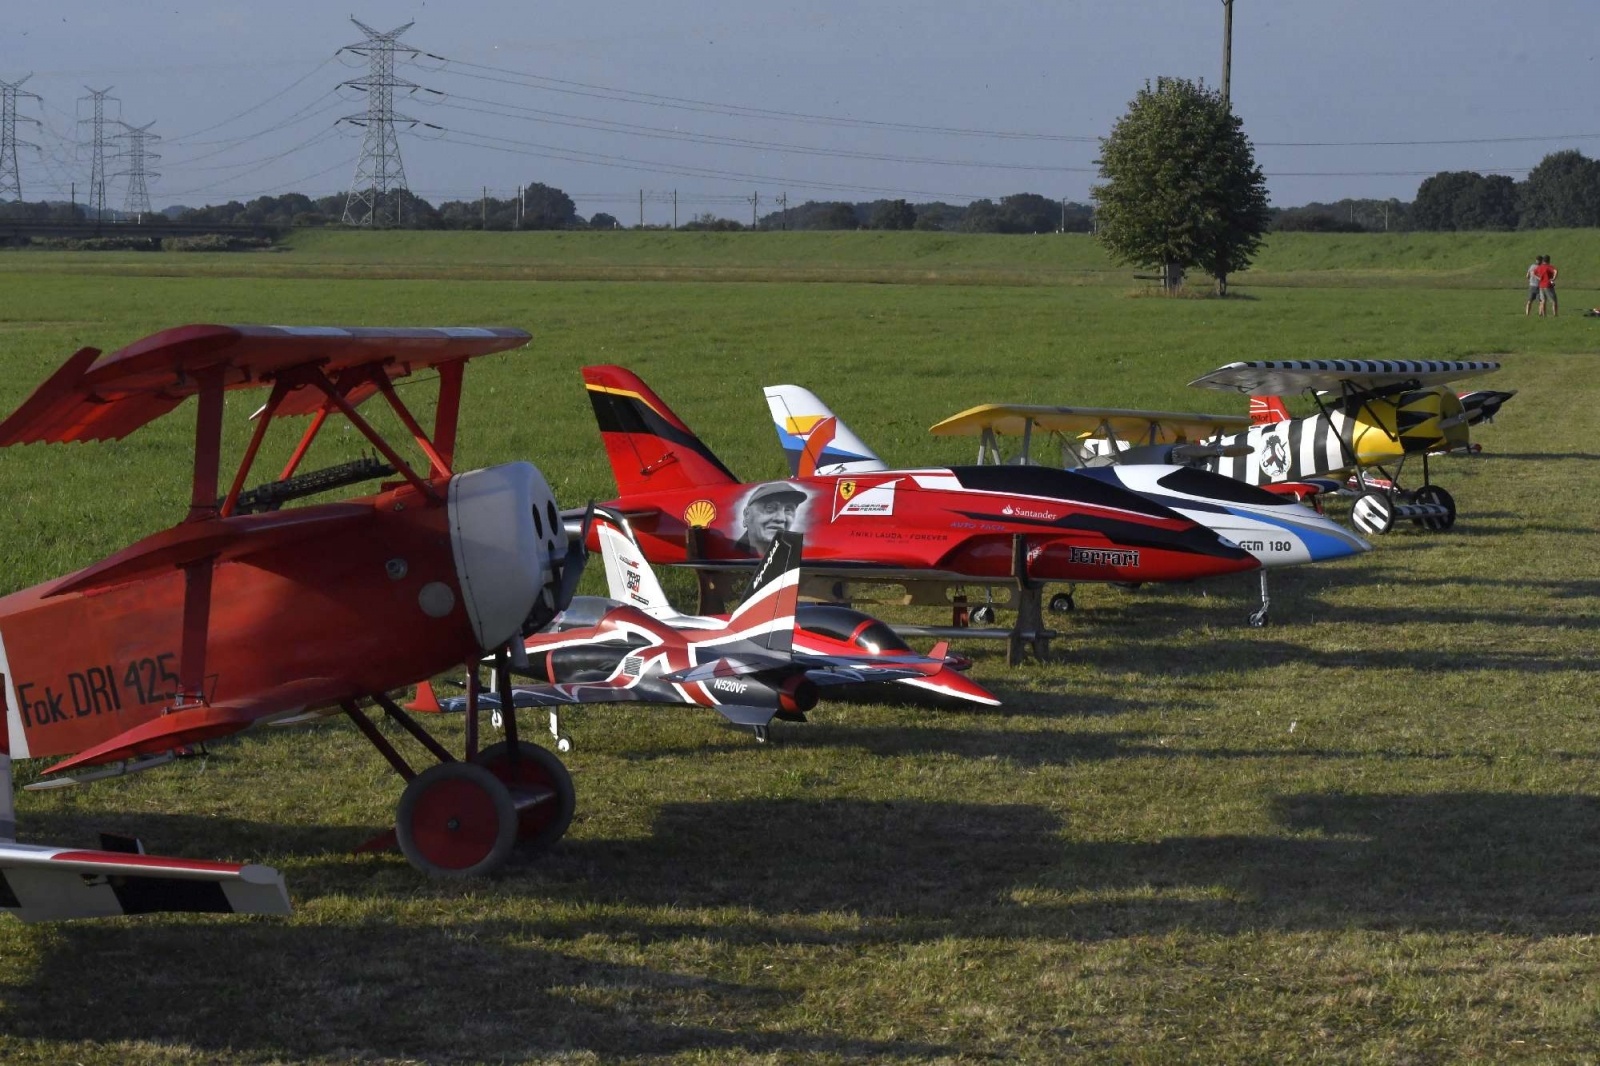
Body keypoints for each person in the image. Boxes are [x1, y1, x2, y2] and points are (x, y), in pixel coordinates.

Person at [733, 482, 807, 557]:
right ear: (747, 515)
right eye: (770, 508)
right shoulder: (728, 552)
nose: (780, 518)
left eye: (788, 510)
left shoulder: (803, 555)